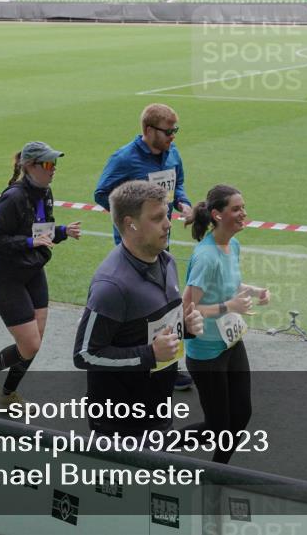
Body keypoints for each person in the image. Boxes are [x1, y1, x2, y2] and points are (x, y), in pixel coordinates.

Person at [73, 180, 204, 436]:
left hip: (158, 410)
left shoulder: (166, 261)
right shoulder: (112, 285)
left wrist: (184, 328)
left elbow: (154, 329)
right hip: (119, 425)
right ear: (129, 223)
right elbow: (85, 354)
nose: (168, 224)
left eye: (167, 215)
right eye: (157, 218)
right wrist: (150, 355)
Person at [0, 142, 80, 409]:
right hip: (6, 274)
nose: (54, 170)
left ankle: (6, 395)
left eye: (55, 164)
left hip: (32, 269)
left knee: (34, 342)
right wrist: (30, 244)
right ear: (29, 166)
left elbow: (41, 231)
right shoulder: (14, 197)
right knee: (28, 345)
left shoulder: (45, 192)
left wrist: (63, 231)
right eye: (48, 164)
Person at [94, 103, 195, 390]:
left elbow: (179, 184)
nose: (173, 137)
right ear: (148, 130)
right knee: (141, 311)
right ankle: (131, 360)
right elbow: (102, 193)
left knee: (166, 306)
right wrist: (132, 221)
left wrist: (182, 203)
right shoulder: (124, 159)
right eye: (168, 131)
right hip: (134, 250)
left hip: (161, 245)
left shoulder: (172, 154)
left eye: (176, 130)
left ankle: (169, 364)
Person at [182, 184, 268, 464]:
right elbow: (188, 309)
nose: (243, 213)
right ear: (218, 215)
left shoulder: (233, 244)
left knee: (241, 414)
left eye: (243, 207)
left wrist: (253, 290)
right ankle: (158, 444)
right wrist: (230, 306)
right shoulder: (206, 257)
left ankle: (217, 471)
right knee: (216, 428)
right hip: (205, 353)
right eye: (236, 209)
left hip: (230, 342)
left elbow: (228, 284)